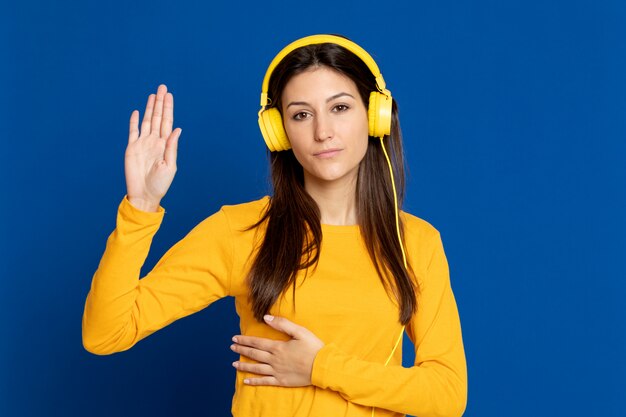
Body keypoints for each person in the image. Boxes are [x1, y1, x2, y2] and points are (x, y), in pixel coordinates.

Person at [82, 34, 467, 417]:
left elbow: (447, 395)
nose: (322, 132)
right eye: (301, 114)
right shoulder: (241, 230)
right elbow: (105, 333)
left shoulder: (415, 242)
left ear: (375, 116)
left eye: (340, 108)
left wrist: (319, 367)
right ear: (279, 131)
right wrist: (141, 207)